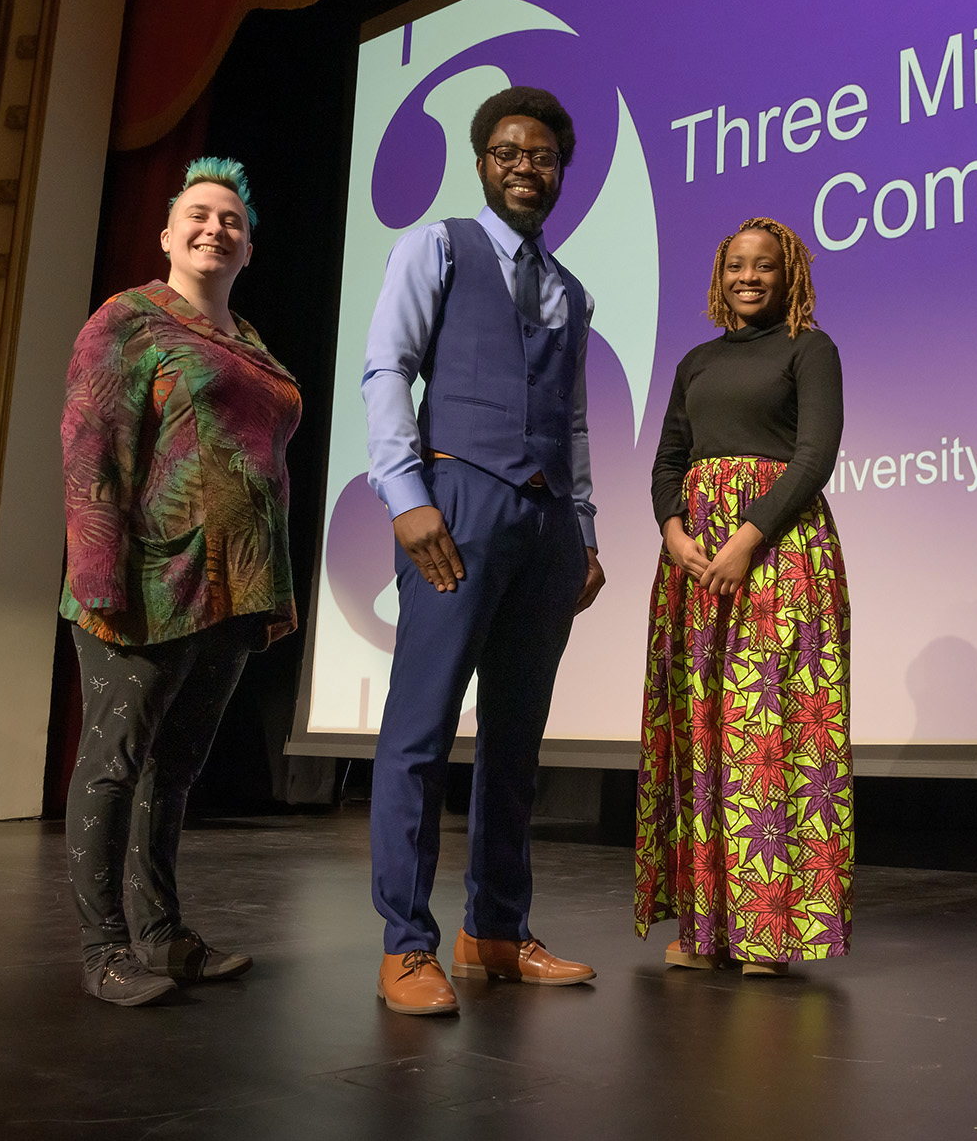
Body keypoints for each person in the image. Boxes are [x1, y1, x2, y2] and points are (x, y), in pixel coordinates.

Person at [361, 86, 605, 1016]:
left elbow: (573, 421)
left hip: (544, 527)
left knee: (516, 742)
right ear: (482, 161)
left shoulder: (571, 289)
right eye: (507, 151)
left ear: (558, 172)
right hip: (454, 500)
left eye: (540, 155)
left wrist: (581, 530)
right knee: (420, 729)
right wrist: (406, 494)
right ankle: (407, 943)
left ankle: (496, 929)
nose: (523, 166)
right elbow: (389, 365)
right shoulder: (437, 244)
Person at [58, 157, 300, 1006]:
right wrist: (97, 577)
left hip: (236, 588)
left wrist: (276, 588)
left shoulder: (253, 343)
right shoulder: (127, 320)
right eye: (199, 213)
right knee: (115, 764)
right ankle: (104, 950)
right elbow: (91, 444)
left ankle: (162, 936)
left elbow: (265, 468)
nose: (215, 227)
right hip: (149, 580)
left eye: (232, 219)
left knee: (176, 769)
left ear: (248, 246)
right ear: (167, 234)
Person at [634, 216, 850, 977]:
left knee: (768, 737)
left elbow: (815, 454)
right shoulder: (695, 361)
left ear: (788, 273)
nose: (749, 277)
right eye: (735, 268)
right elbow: (667, 458)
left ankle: (769, 932)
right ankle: (706, 926)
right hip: (695, 564)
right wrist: (672, 530)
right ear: (719, 278)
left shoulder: (809, 348)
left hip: (778, 555)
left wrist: (747, 536)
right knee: (704, 737)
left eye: (764, 267)